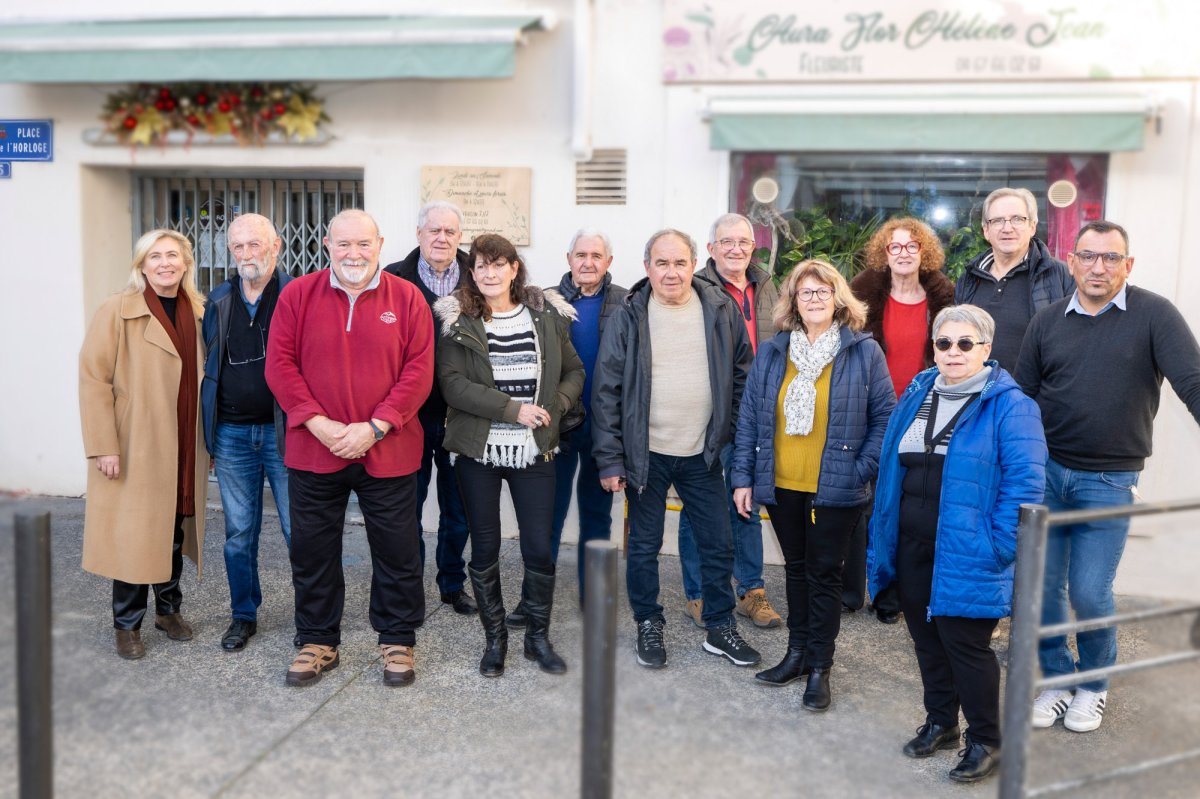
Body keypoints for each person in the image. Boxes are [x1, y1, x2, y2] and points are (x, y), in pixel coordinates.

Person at [1015, 220, 1200, 733]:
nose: (1099, 267)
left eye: (1111, 258)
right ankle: (1056, 678)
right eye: (1089, 256)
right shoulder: (1048, 321)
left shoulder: (1155, 315)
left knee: (1090, 591)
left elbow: (1192, 382)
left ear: (1128, 265)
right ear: (1071, 262)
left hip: (1110, 481)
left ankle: (1093, 686)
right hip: (1047, 477)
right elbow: (1021, 399)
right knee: (1042, 588)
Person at [870, 305, 1046, 783]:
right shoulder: (919, 391)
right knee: (926, 640)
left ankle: (987, 739)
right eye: (944, 343)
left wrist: (998, 548)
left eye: (965, 343)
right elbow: (892, 465)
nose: (953, 352)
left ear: (986, 350)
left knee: (966, 646)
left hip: (971, 551)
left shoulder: (1011, 405)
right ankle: (942, 723)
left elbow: (1026, 485)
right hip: (911, 544)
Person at [265, 209, 434, 688]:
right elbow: (279, 366)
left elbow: (419, 372)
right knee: (313, 551)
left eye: (363, 244)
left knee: (398, 550)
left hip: (389, 450)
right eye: (344, 244)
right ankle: (317, 641)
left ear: (380, 244)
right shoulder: (297, 295)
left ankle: (398, 638)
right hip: (314, 450)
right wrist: (318, 424)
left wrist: (376, 426)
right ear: (326, 244)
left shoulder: (408, 298)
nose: (354, 253)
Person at [730, 260, 895, 711]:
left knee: (824, 575)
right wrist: (743, 476)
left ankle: (821, 666)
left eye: (824, 291)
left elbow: (886, 417)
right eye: (806, 292)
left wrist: (862, 468)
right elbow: (750, 420)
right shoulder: (773, 351)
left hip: (836, 487)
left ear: (839, 298)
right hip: (781, 482)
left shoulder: (863, 351)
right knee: (797, 571)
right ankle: (797, 654)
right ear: (793, 302)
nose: (816, 299)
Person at [592, 228, 760, 670]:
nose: (671, 272)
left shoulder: (720, 310)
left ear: (693, 264)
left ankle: (720, 627)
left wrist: (736, 438)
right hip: (645, 455)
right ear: (647, 267)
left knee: (718, 544)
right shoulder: (629, 316)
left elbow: (744, 377)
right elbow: (606, 391)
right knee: (644, 547)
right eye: (661, 263)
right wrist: (610, 458)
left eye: (679, 262)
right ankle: (649, 622)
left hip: (702, 453)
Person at [434, 233, 584, 677]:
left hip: (536, 449)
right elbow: (453, 385)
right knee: (485, 547)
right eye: (480, 265)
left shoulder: (546, 315)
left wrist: (555, 406)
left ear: (514, 269)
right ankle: (495, 639)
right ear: (472, 271)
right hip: (478, 449)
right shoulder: (456, 318)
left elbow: (574, 371)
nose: (489, 273)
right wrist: (512, 410)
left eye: (498, 264)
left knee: (539, 548)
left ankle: (537, 638)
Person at [79, 229, 208, 660]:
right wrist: (103, 446)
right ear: (141, 265)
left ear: (186, 263)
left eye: (173, 255)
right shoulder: (118, 310)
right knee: (135, 533)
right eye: (155, 257)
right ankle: (126, 624)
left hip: (184, 438)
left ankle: (168, 611)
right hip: (137, 442)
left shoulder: (199, 310)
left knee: (172, 527)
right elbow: (93, 381)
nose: (165, 263)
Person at [502, 228, 623, 626]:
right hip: (556, 426)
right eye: (581, 254)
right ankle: (534, 599)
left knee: (597, 517)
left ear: (609, 261)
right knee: (546, 517)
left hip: (606, 431)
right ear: (568, 258)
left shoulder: (627, 302)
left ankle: (598, 599)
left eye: (596, 256)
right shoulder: (542, 300)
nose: (588, 262)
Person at [677, 213, 783, 629]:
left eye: (743, 242)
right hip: (712, 414)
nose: (736, 249)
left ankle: (751, 592)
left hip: (757, 413)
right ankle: (700, 592)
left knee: (747, 502)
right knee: (699, 504)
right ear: (711, 249)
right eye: (727, 242)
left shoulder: (768, 286)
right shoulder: (696, 289)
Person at [849, 217, 956, 624]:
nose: (904, 253)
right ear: (884, 253)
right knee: (863, 502)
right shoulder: (862, 297)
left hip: (925, 414)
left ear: (924, 252)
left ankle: (894, 592)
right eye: (895, 247)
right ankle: (856, 587)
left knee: (908, 505)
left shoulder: (944, 300)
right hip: (871, 412)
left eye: (912, 246)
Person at [201, 213, 293, 652]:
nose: (245, 255)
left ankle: (312, 617)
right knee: (239, 534)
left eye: (254, 245)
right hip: (233, 435)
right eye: (237, 247)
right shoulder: (217, 300)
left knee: (301, 530)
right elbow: (211, 366)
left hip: (286, 433)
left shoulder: (299, 295)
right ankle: (243, 615)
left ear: (275, 246)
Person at [383, 200, 476, 616]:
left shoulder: (480, 277)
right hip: (411, 416)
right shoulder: (392, 279)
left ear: (460, 237)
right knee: (408, 508)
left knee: (459, 510)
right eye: (434, 230)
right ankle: (409, 589)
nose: (442, 238)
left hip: (463, 414)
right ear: (418, 234)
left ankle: (452, 585)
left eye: (450, 232)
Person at [954, 187, 1073, 371]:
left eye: (1017, 219)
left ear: (1032, 226)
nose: (1007, 228)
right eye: (997, 221)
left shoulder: (1060, 276)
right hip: (976, 395)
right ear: (986, 230)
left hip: (1034, 397)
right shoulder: (969, 278)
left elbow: (1074, 343)